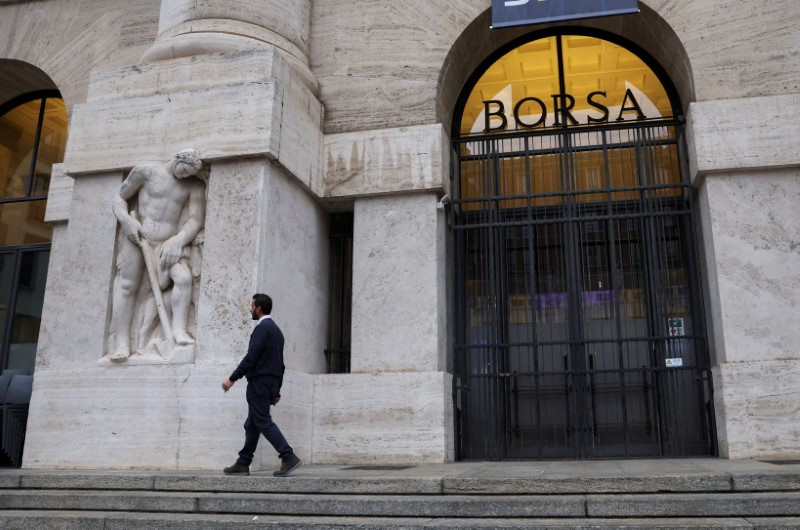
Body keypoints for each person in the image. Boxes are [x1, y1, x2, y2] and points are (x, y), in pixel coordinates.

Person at [108, 148, 206, 361]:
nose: (186, 176)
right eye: (185, 170)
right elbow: (119, 198)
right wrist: (127, 222)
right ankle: (123, 344)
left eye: (190, 174)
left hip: (167, 245)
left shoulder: (194, 186)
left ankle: (179, 330)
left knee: (183, 278)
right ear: (178, 159)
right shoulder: (146, 172)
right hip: (138, 238)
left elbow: (196, 220)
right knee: (126, 286)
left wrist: (177, 241)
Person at [222, 294, 301, 477]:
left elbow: (251, 358)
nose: (250, 309)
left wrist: (232, 379)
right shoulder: (277, 332)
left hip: (259, 383)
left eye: (252, 306)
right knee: (252, 423)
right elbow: (280, 364)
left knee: (263, 421)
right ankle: (243, 462)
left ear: (258, 308)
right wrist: (276, 389)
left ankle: (288, 456)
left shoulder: (262, 329)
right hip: (270, 383)